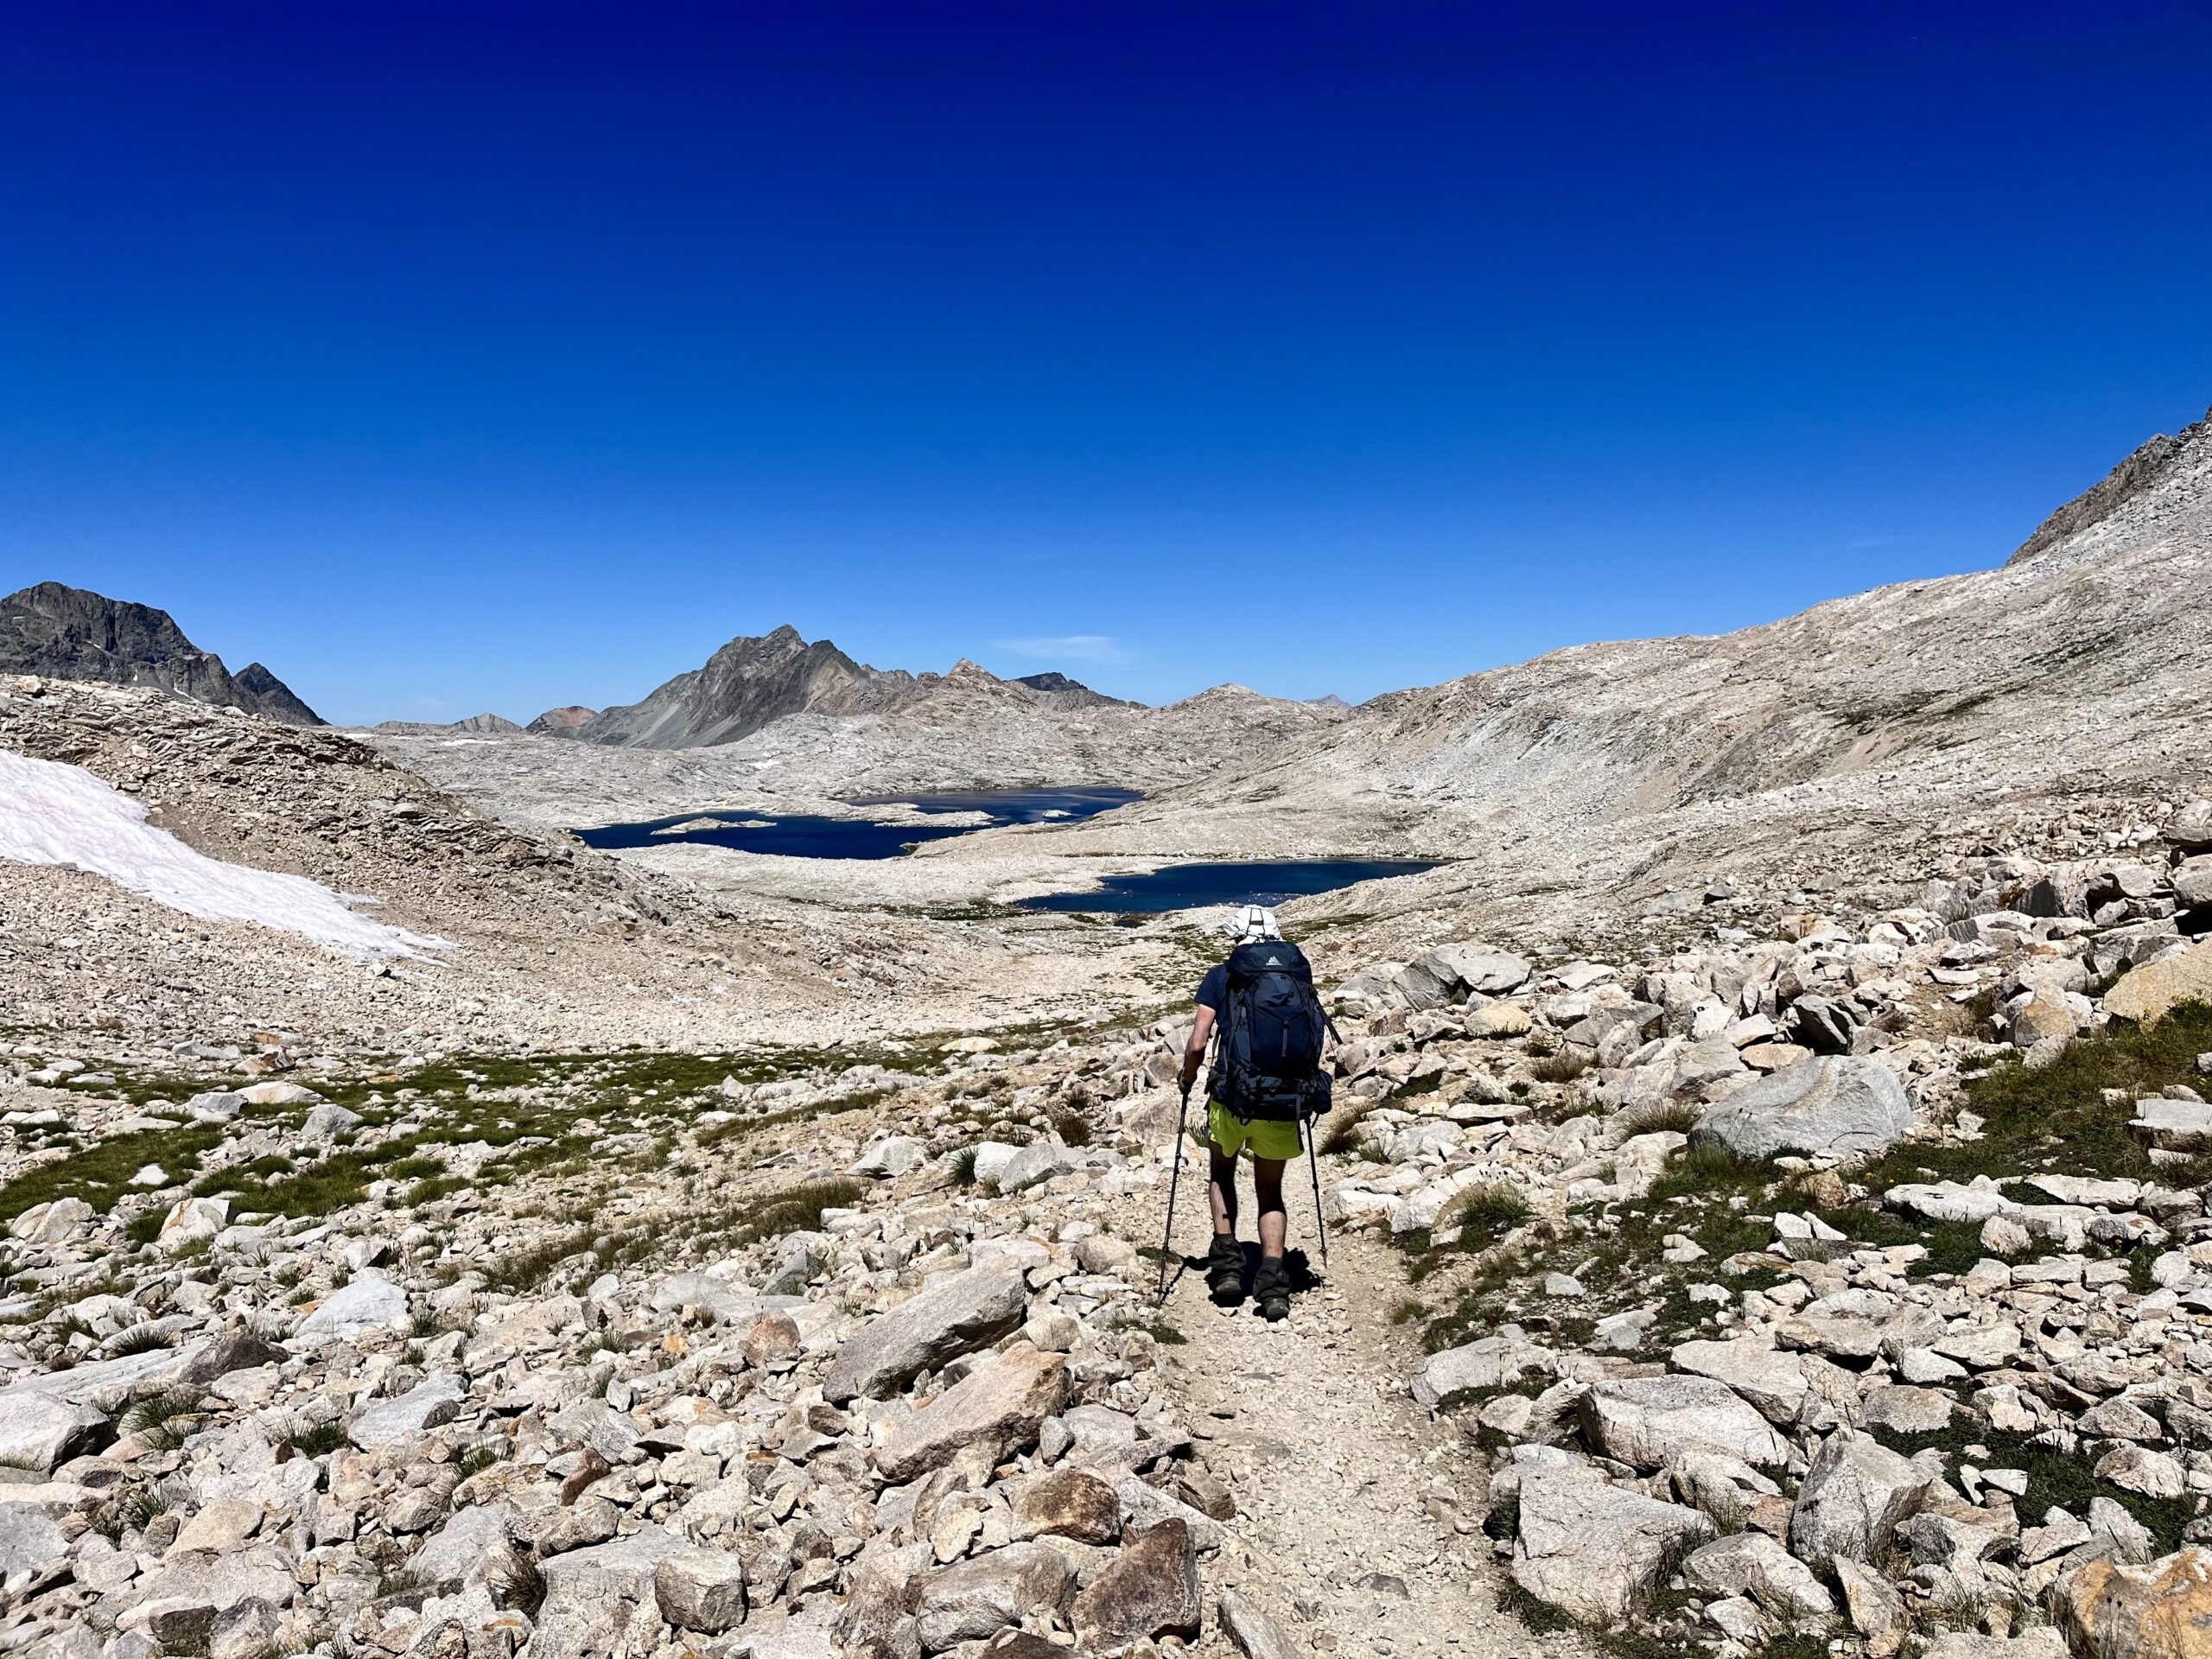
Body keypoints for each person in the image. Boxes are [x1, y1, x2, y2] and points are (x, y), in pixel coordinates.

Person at [1179, 904, 1305, 1321]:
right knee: (1271, 1191)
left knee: (1221, 1172)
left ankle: (1229, 1267)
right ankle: (1272, 1284)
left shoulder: (1221, 975)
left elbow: (1198, 1043)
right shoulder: (1295, 975)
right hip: (1284, 1098)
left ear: (1236, 938)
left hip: (1233, 1097)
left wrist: (1187, 1077)